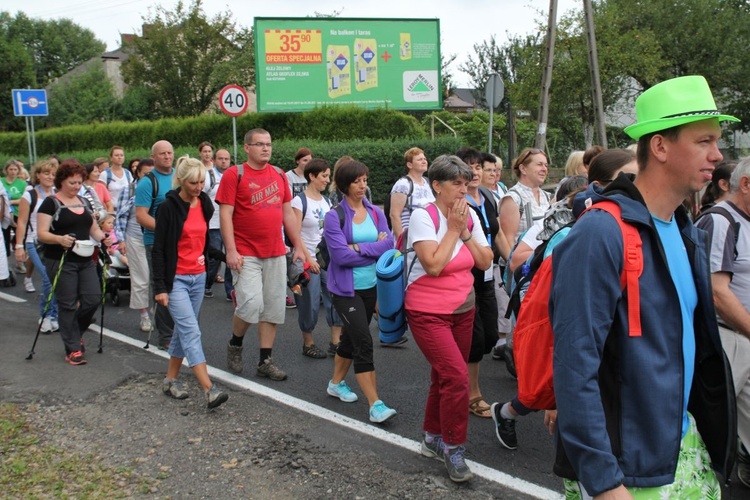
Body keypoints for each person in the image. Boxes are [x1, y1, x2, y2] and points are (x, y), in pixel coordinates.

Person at [550, 75, 736, 498]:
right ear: (661, 146)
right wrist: (603, 481)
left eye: (717, 141)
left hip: (679, 446)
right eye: (704, 140)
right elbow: (575, 363)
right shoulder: (601, 232)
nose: (718, 154)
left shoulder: (686, 228)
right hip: (623, 469)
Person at [406, 155, 492, 482]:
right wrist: (455, 229)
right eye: (455, 183)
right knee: (456, 378)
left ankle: (432, 437)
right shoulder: (423, 216)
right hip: (427, 311)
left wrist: (466, 231)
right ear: (437, 186)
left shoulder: (470, 215)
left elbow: (484, 263)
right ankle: (453, 448)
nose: (463, 188)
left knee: (442, 377)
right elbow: (434, 265)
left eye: (465, 182)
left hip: (463, 308)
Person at [217, 128, 304, 380]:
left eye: (268, 144)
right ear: (246, 147)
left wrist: (297, 244)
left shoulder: (278, 174)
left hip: (275, 251)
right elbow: (225, 215)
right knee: (250, 304)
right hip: (246, 253)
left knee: (273, 309)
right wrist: (230, 251)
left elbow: (287, 213)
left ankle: (265, 360)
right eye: (259, 144)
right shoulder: (235, 174)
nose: (266, 148)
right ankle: (235, 343)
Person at [323, 159, 397, 423]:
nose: (363, 186)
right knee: (364, 341)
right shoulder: (335, 216)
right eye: (357, 181)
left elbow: (389, 244)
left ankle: (335, 383)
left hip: (371, 286)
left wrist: (358, 249)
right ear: (345, 185)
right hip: (345, 290)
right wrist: (371, 250)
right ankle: (375, 404)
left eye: (365, 180)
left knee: (351, 339)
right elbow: (340, 257)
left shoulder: (376, 213)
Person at [152, 156, 228, 409]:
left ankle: (170, 379)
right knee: (192, 331)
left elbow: (204, 240)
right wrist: (160, 287)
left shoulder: (204, 202)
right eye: (193, 182)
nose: (198, 187)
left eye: (201, 182)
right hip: (176, 281)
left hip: (198, 277)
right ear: (182, 181)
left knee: (183, 332)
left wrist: (223, 256)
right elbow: (159, 249)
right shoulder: (167, 207)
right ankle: (210, 389)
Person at [696, 157, 750, 487]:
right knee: (712, 424)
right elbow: (717, 292)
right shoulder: (720, 220)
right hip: (726, 337)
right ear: (745, 184)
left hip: (742, 335)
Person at [36, 159, 112, 365]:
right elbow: (42, 234)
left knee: (93, 298)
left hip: (86, 258)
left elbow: (92, 228)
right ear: (61, 181)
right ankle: (73, 348)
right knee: (67, 304)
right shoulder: (51, 203)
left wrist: (103, 237)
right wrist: (59, 239)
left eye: (79, 182)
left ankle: (74, 331)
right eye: (72, 183)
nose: (76, 186)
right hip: (60, 260)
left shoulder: (84, 202)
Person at [456, 147, 501, 419]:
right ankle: (472, 393)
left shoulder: (487, 196)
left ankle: (457, 375)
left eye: (478, 166)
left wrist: (515, 263)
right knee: (474, 339)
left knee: (491, 337)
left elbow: (498, 235)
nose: (475, 171)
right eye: (468, 166)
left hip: (487, 273)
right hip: (465, 276)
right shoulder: (459, 204)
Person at [290, 158, 343, 358]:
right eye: (324, 176)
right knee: (309, 302)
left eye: (328, 175)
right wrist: (308, 259)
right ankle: (308, 343)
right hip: (307, 259)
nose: (327, 180)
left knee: (335, 299)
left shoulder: (327, 201)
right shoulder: (299, 201)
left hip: (326, 259)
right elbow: (295, 233)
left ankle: (335, 341)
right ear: (312, 176)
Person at [136, 140, 176, 350]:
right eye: (162, 154)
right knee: (163, 288)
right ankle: (165, 336)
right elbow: (141, 216)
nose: (167, 157)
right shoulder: (147, 182)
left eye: (169, 153)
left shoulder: (180, 176)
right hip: (157, 243)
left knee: (182, 285)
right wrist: (167, 230)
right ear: (154, 157)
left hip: (181, 242)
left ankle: (180, 330)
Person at [14, 159, 59, 331]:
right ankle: (46, 315)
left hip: (54, 242)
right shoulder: (30, 195)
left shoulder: (57, 194)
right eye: (46, 173)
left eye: (53, 174)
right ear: (38, 175)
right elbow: (22, 223)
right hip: (34, 242)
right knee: (48, 278)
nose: (50, 177)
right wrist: (19, 246)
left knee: (56, 279)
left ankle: (54, 315)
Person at [116, 158, 154, 333]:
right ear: (138, 173)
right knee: (141, 278)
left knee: (157, 278)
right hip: (135, 238)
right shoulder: (129, 189)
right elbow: (120, 216)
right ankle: (144, 315)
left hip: (156, 238)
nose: (149, 176)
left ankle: (158, 312)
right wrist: (121, 240)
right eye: (146, 173)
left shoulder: (161, 188)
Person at [388, 147, 434, 246]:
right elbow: (394, 215)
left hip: (427, 237)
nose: (424, 161)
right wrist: (402, 243)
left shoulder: (427, 183)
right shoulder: (403, 184)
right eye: (419, 159)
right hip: (409, 239)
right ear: (410, 165)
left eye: (424, 159)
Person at [204, 148, 233, 300]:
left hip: (230, 224)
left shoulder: (234, 176)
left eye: (226, 159)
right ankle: (206, 284)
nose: (223, 161)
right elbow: (200, 197)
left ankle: (230, 291)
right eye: (220, 159)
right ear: (214, 160)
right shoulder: (208, 176)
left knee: (231, 257)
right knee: (214, 258)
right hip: (213, 224)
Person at [2, 159, 28, 273]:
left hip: (19, 213)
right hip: (4, 215)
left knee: (20, 239)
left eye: (15, 169)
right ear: (6, 170)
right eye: (11, 169)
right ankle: (5, 265)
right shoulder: (1, 181)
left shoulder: (22, 183)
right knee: (5, 239)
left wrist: (11, 202)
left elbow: (24, 199)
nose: (13, 172)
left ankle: (20, 263)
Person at [101, 146, 132, 210]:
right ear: (111, 158)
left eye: (122, 155)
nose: (119, 157)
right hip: (112, 210)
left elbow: (132, 192)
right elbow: (101, 195)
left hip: (126, 210)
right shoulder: (105, 174)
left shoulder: (128, 173)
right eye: (116, 155)